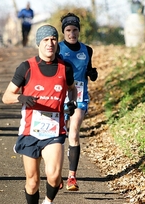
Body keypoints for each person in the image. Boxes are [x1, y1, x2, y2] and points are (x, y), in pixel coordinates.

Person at [2, 24, 77, 204]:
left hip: (54, 129)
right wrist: (20, 98)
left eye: (53, 39)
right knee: (32, 181)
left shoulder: (65, 68)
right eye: (46, 40)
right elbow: (6, 96)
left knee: (54, 176)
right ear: (38, 43)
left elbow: (72, 89)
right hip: (30, 132)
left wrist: (71, 103)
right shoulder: (26, 67)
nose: (50, 43)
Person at [58, 13, 98, 191]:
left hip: (80, 96)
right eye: (68, 30)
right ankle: (55, 173)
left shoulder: (87, 50)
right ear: (63, 32)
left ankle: (72, 177)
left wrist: (92, 73)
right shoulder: (57, 49)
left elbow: (88, 69)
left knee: (73, 133)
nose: (72, 34)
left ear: (79, 31)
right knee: (57, 136)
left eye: (75, 30)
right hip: (59, 95)